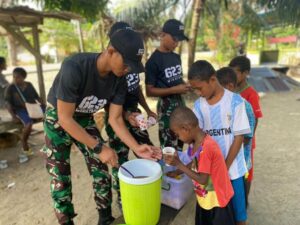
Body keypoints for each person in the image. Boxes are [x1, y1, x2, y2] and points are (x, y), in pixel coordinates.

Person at [42, 29, 161, 225]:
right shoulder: (75, 66)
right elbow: (65, 118)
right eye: (127, 63)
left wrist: (136, 146)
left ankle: (105, 218)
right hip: (58, 118)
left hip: (84, 118)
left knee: (101, 170)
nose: (128, 70)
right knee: (60, 177)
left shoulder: (119, 77)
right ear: (111, 51)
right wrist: (98, 147)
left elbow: (115, 119)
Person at [188, 60, 251, 225]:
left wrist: (223, 167)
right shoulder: (199, 106)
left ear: (213, 80)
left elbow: (239, 137)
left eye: (200, 88)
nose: (198, 93)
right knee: (216, 215)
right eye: (194, 89)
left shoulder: (236, 102)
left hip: (233, 171)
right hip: (210, 174)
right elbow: (196, 137)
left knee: (239, 216)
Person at [104, 21, 157, 206]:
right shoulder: (112, 65)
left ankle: (151, 185)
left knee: (147, 149)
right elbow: (110, 107)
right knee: (120, 158)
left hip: (135, 114)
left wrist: (148, 109)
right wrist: (126, 116)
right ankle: (122, 197)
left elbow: (136, 88)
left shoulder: (131, 61)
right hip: (116, 117)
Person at [164, 106, 235, 225]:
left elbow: (202, 179)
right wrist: (177, 172)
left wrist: (179, 164)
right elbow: (194, 162)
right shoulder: (195, 143)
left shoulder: (207, 148)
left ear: (186, 128)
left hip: (217, 200)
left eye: (177, 134)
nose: (178, 138)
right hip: (205, 196)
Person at [145, 19, 190, 151]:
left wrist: (184, 86)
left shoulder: (176, 57)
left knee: (181, 141)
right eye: (174, 38)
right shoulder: (153, 61)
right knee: (169, 146)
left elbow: (177, 79)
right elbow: (149, 91)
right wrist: (173, 89)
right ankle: (169, 171)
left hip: (180, 104)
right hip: (166, 108)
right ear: (162, 35)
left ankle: (179, 171)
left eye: (179, 40)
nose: (176, 43)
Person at [229, 56, 263, 206]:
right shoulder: (230, 90)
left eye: (236, 72)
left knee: (246, 172)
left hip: (246, 141)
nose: (233, 75)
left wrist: (247, 138)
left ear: (245, 73)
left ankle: (245, 201)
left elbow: (255, 119)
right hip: (233, 139)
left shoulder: (251, 93)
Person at [5, 67, 45, 161]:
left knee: (49, 117)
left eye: (18, 77)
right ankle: (24, 143)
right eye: (14, 77)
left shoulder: (29, 85)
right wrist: (13, 116)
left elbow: (36, 97)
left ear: (24, 77)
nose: (15, 79)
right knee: (28, 123)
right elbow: (8, 103)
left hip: (32, 107)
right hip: (20, 110)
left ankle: (51, 141)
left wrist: (43, 106)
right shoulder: (11, 88)